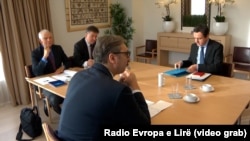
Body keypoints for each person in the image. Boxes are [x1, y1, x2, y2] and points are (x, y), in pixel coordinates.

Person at [57, 35, 151, 140]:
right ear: (112, 58)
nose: (129, 58)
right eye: (126, 54)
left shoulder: (78, 76)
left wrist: (117, 88)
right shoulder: (117, 90)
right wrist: (134, 86)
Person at [31, 29, 71, 115]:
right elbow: (37, 72)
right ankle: (61, 113)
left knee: (72, 90)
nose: (49, 40)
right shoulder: (35, 53)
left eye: (50, 37)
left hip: (60, 77)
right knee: (55, 98)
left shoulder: (58, 48)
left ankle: (68, 111)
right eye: (46, 38)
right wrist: (44, 57)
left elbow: (68, 61)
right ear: (40, 41)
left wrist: (62, 67)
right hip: (44, 83)